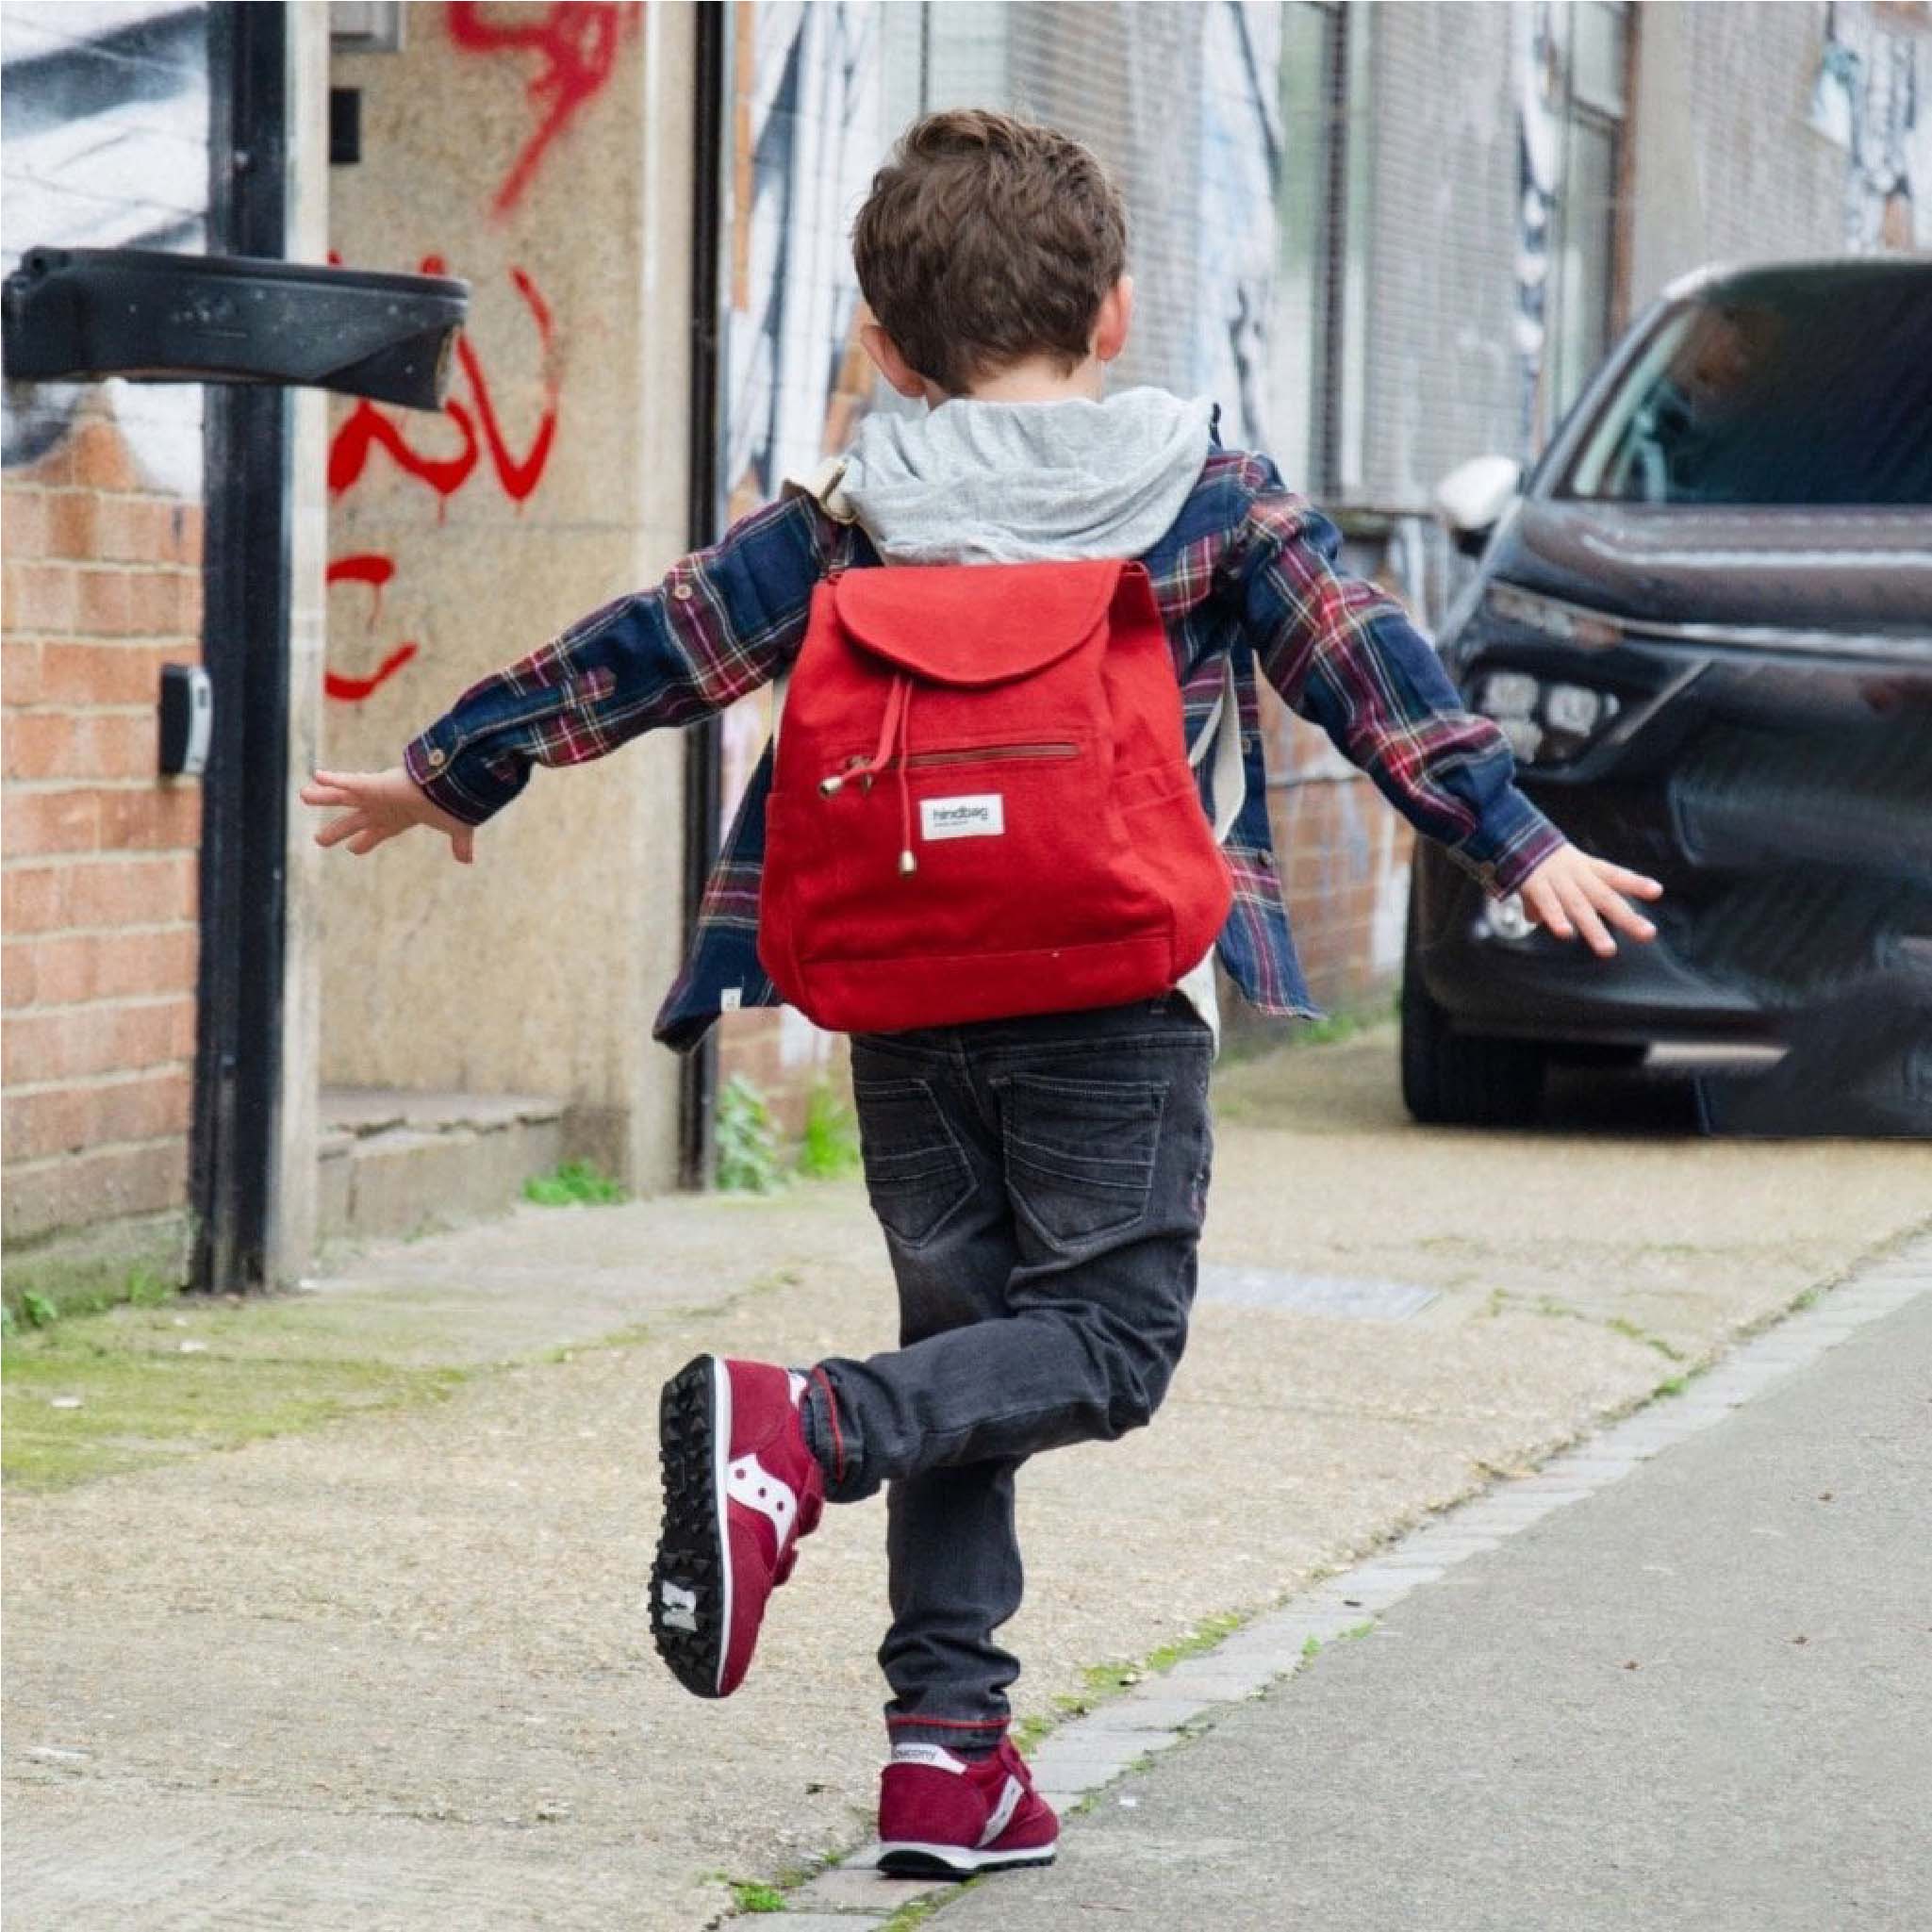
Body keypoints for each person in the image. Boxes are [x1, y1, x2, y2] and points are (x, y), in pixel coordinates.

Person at [304, 108, 1661, 1879]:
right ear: (1113, 313)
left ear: (884, 347)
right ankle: (806, 1427)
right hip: (1113, 991)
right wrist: (1510, 837)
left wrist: (452, 766)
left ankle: (947, 1755)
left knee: (968, 1353)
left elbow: (656, 644)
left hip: (907, 990)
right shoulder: (1206, 494)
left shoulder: (846, 517)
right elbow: (1366, 663)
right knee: (1105, 1346)